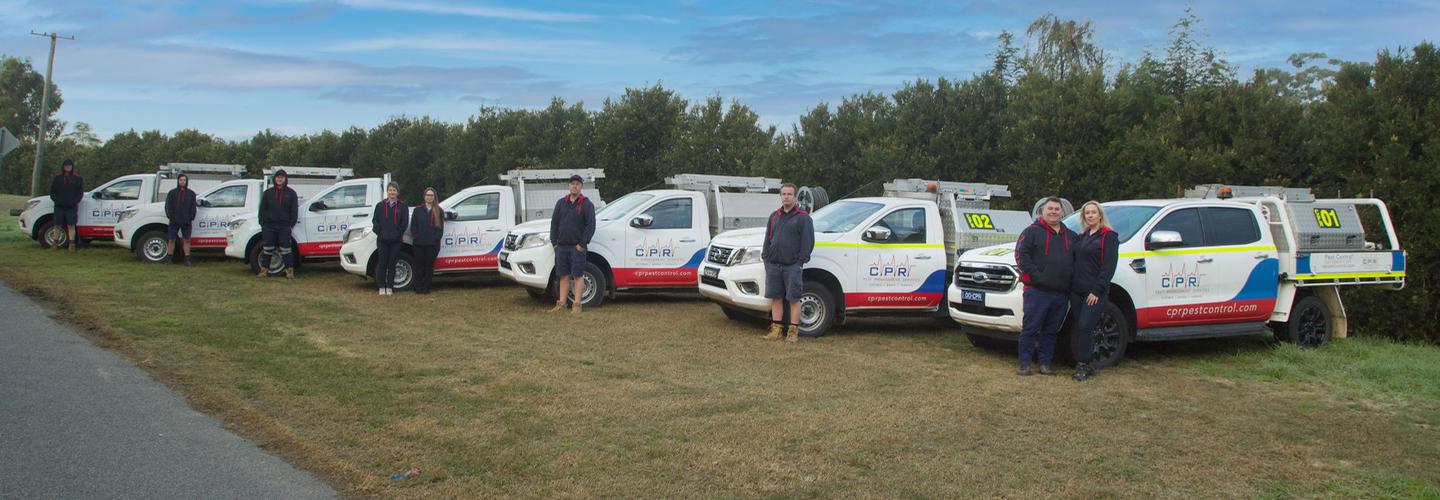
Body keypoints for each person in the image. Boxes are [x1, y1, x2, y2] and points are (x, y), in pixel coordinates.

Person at [1015, 197, 1075, 376]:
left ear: (1062, 212)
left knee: (1051, 330)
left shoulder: (1071, 236)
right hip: (1037, 291)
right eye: (1050, 209)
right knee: (1030, 328)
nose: (1054, 212)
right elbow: (1021, 256)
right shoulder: (1031, 232)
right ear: (1043, 211)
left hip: (1061, 293)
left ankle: (1045, 364)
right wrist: (1038, 277)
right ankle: (1024, 364)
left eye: (1057, 209)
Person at [1069, 201, 1118, 382]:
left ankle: (1084, 364)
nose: (1090, 215)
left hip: (1094, 292)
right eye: (1087, 213)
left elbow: (1108, 267)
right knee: (1080, 327)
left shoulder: (1108, 236)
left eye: (1093, 212)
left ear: (1100, 215)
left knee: (1086, 326)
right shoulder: (1082, 236)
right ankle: (1084, 361)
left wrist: (1097, 291)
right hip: (1077, 290)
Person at [761, 183, 814, 343]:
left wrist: (800, 262)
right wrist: (766, 258)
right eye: (784, 194)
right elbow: (767, 239)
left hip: (792, 266)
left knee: (793, 299)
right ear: (780, 196)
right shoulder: (774, 216)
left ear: (795, 197)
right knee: (776, 297)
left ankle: (793, 332)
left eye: (790, 194)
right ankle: (776, 330)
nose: (786, 197)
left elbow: (808, 242)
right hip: (773, 265)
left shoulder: (803, 217)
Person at [548, 175, 596, 315]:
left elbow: (591, 226)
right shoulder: (561, 203)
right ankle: (561, 304)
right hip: (561, 247)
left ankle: (577, 305)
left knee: (577, 275)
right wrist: (554, 243)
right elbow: (554, 224)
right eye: (572, 184)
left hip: (577, 248)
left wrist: (582, 244)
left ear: (581, 186)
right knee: (563, 276)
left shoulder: (586, 204)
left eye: (577, 184)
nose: (574, 186)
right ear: (569, 186)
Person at [257, 169, 299, 279]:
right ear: (274, 179)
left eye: (282, 177)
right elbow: (262, 210)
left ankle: (289, 271)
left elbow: (294, 211)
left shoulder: (291, 193)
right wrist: (262, 224)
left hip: (284, 226)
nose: (279, 179)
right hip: (269, 226)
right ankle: (264, 270)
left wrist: (291, 225)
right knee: (268, 248)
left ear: (285, 179)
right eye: (277, 177)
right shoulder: (268, 193)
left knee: (286, 249)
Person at [372, 182, 409, 296]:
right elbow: (375, 222)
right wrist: (381, 233)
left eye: (394, 190)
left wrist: (397, 234)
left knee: (392, 264)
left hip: (396, 241)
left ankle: (389, 286)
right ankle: (381, 286)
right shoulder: (380, 206)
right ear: (387, 191)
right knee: (382, 263)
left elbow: (404, 223)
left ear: (397, 192)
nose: (392, 192)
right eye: (390, 190)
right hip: (382, 240)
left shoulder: (402, 206)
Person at [410, 187, 444, 294]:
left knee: (429, 267)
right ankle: (418, 287)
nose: (429, 197)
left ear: (434, 197)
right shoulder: (417, 210)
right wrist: (417, 237)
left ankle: (426, 287)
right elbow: (413, 227)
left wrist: (435, 239)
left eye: (431, 195)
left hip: (432, 245)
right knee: (419, 266)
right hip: (419, 244)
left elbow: (440, 229)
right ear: (424, 196)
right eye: (428, 195)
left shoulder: (439, 211)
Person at [48, 159, 83, 252]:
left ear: (72, 167)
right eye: (66, 166)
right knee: (57, 225)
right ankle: (55, 244)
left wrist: (75, 202)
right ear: (63, 167)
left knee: (71, 225)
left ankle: (71, 245)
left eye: (69, 166)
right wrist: (56, 201)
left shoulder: (77, 178)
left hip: (71, 206)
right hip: (59, 206)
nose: (68, 167)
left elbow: (80, 192)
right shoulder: (57, 178)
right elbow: (52, 191)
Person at [163, 173, 199, 266]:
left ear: (186, 181)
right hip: (174, 220)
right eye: (181, 180)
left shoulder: (191, 194)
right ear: (178, 181)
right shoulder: (172, 193)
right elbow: (168, 206)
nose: (183, 182)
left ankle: (187, 259)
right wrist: (170, 216)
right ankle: (169, 258)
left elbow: (193, 207)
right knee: (171, 239)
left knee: (186, 240)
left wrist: (191, 217)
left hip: (186, 221)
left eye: (184, 180)